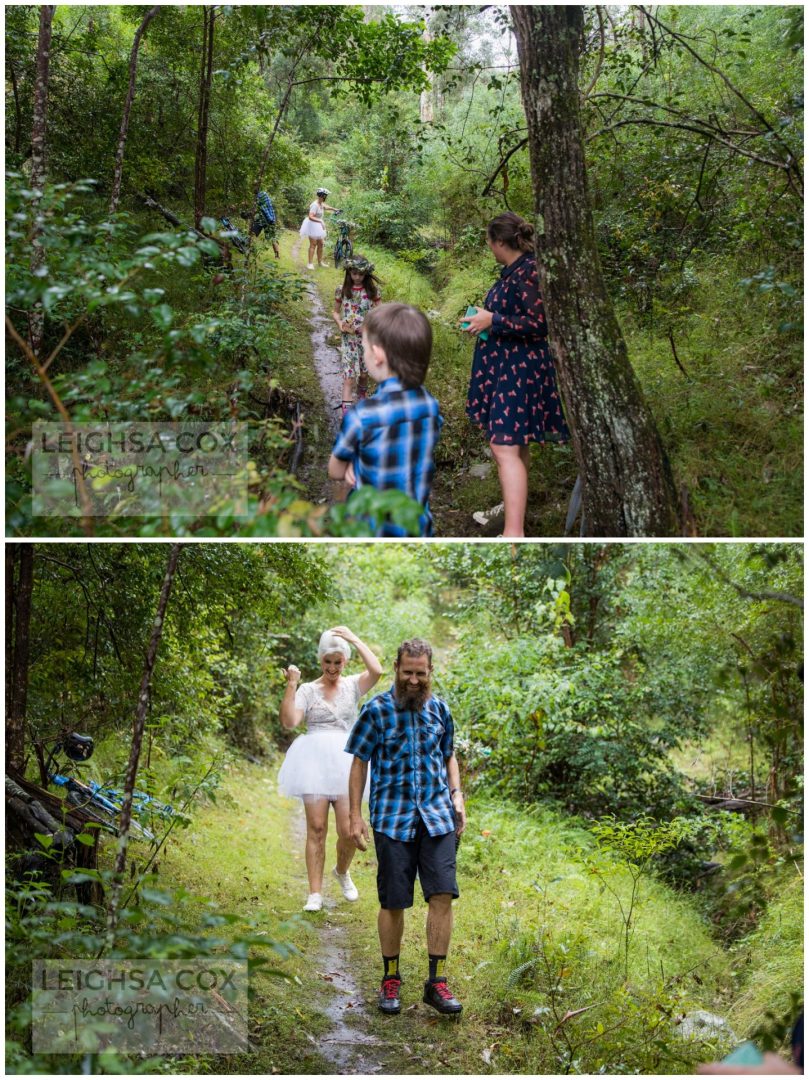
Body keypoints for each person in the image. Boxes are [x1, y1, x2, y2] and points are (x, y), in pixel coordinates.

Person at [345, 638, 467, 1017]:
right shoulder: (376, 711)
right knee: (393, 901)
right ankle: (391, 977)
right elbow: (359, 763)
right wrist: (354, 815)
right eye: (408, 672)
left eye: (421, 673)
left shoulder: (441, 711)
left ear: (431, 672)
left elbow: (449, 755)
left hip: (438, 816)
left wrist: (457, 795)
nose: (414, 680)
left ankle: (437, 982)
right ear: (396, 668)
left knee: (442, 895)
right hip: (393, 820)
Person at [461, 211, 570, 538]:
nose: (490, 249)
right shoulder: (515, 270)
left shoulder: (528, 272)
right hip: (508, 365)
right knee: (515, 442)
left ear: (499, 242)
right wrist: (484, 321)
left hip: (520, 370)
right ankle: (512, 506)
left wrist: (493, 320)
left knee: (503, 446)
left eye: (490, 243)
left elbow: (540, 324)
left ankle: (514, 532)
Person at [278, 626, 382, 912]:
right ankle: (314, 893)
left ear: (345, 661)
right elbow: (289, 721)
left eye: (338, 661)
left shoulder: (352, 685)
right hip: (314, 761)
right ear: (320, 661)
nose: (333, 667)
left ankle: (341, 870)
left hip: (347, 762)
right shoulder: (309, 690)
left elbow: (377, 671)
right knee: (317, 827)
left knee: (349, 830)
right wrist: (292, 684)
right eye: (328, 661)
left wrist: (353, 638)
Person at [327, 303, 443, 537]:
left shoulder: (363, 415)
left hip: (371, 528)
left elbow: (335, 470)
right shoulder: (431, 405)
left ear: (377, 355)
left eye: (364, 347)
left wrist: (354, 463)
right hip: (416, 527)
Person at [332, 256, 382, 414]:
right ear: (349, 273)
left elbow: (380, 313)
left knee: (364, 373)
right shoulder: (342, 290)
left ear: (366, 274)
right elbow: (335, 312)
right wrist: (340, 324)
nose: (357, 277)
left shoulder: (371, 291)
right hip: (348, 340)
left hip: (366, 340)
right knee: (348, 376)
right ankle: (346, 413)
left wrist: (368, 325)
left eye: (361, 274)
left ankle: (362, 396)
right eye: (354, 273)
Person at [299, 187, 340, 270]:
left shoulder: (320, 203)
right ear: (322, 196)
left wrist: (333, 209)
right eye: (325, 195)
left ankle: (320, 262)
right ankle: (310, 264)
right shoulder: (315, 205)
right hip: (313, 225)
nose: (326, 197)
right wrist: (321, 222)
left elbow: (325, 207)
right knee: (313, 244)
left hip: (317, 225)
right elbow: (310, 216)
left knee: (321, 244)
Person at [252, 189, 280, 258]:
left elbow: (260, 209)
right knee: (272, 238)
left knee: (252, 234)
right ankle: (277, 255)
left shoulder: (259, 197)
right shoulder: (264, 194)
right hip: (270, 219)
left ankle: (250, 250)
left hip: (264, 219)